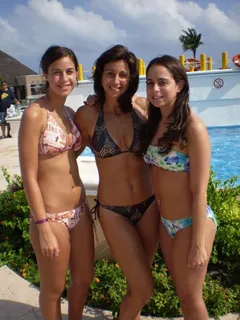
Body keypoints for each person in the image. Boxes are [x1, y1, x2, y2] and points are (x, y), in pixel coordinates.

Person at [75, 45, 159, 320]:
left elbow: (174, 127)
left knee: (139, 285)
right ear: (100, 76)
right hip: (114, 211)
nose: (116, 81)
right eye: (110, 74)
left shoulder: (143, 108)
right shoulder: (88, 115)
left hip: (148, 206)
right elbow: (66, 154)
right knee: (145, 287)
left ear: (132, 77)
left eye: (123, 75)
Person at [18, 45, 94, 320]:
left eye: (70, 71)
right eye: (57, 72)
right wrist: (43, 227)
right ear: (46, 76)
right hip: (50, 217)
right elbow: (29, 176)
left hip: (80, 209)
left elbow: (67, 157)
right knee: (53, 288)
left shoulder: (70, 113)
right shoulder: (35, 114)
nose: (65, 78)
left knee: (84, 278)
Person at [143, 55, 217, 320]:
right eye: (150, 83)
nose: (155, 90)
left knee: (191, 298)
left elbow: (200, 191)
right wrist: (95, 100)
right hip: (167, 223)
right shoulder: (154, 120)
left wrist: (198, 243)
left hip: (190, 224)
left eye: (163, 82)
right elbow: (123, 98)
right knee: (182, 294)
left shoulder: (192, 128)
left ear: (180, 85)